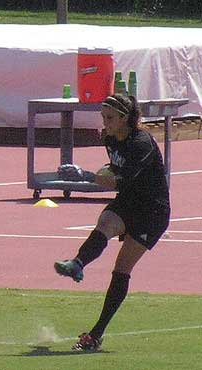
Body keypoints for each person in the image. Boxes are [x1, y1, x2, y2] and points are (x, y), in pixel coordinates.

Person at [54, 94, 171, 351]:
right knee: (105, 222)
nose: (105, 123)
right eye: (103, 117)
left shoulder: (141, 143)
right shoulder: (108, 138)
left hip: (151, 211)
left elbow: (119, 181)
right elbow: (114, 170)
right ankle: (78, 263)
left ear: (124, 118)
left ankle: (95, 334)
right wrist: (100, 171)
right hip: (129, 200)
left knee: (121, 269)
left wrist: (85, 176)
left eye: (110, 118)